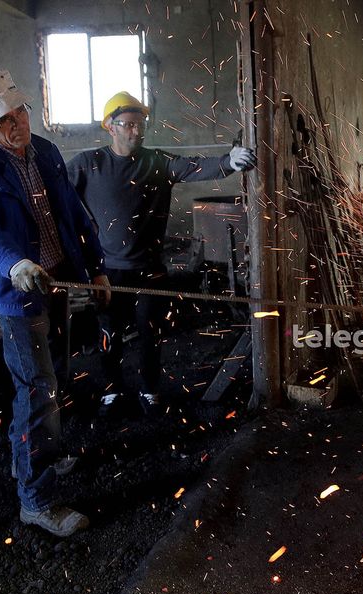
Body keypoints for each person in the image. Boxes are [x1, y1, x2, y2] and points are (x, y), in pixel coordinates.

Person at [0, 68, 111, 536]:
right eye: (3, 119)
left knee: (53, 379)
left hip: (58, 277)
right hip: (18, 290)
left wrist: (96, 265)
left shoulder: (44, 151)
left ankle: (37, 455)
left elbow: (72, 213)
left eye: (20, 110)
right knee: (37, 390)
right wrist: (14, 264)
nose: (16, 122)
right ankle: (36, 500)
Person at [67, 92, 255, 416]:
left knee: (150, 333)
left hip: (149, 269)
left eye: (141, 125)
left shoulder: (157, 162)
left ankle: (150, 390)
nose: (136, 132)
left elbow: (195, 167)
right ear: (110, 127)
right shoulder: (88, 164)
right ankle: (111, 391)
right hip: (107, 272)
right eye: (128, 125)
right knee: (109, 334)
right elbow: (56, 194)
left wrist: (229, 161)